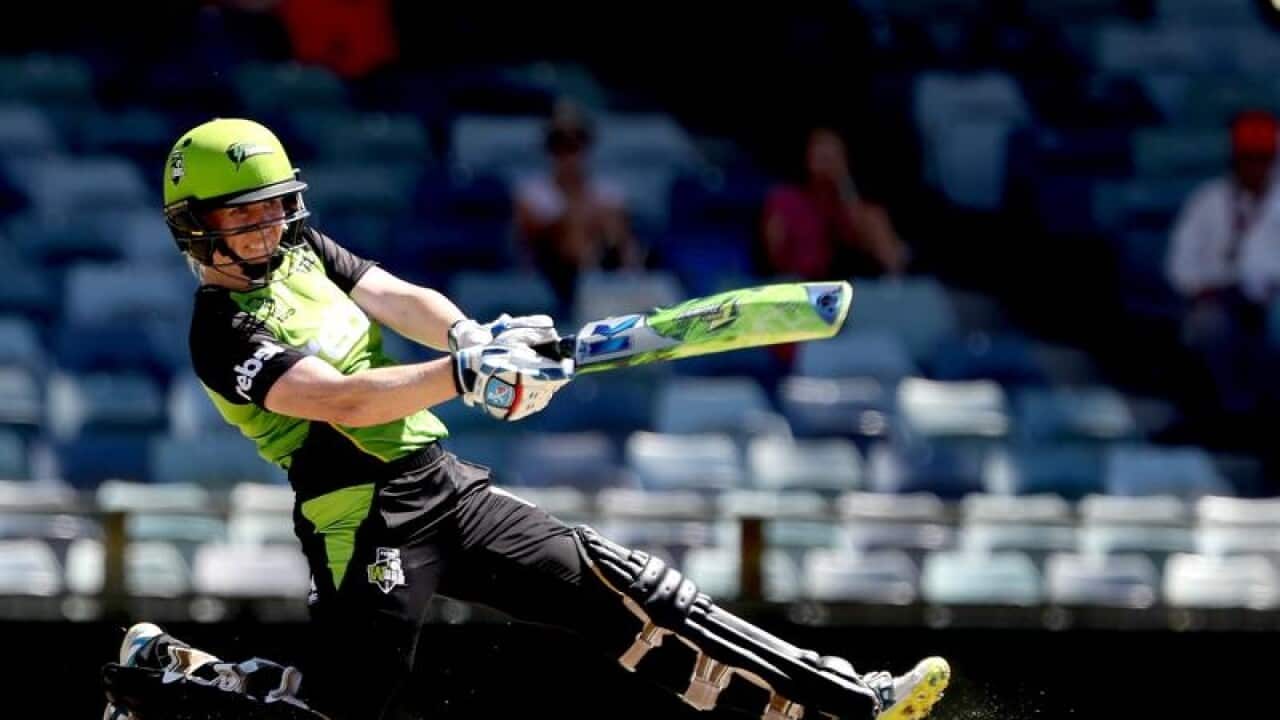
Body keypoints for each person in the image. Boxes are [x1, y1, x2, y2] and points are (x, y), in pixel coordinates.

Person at [99, 117, 951, 720]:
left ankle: (842, 702)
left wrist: (472, 333)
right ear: (195, 228)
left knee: (634, 592)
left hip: (441, 485)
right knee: (340, 707)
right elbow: (345, 401)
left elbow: (397, 294)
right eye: (243, 215)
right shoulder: (220, 331)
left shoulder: (301, 252)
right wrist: (464, 373)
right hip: (360, 516)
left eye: (276, 204)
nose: (267, 224)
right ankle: (166, 684)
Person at [1166, 109, 1280, 418]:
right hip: (1220, 300)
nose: (1255, 168)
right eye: (1249, 159)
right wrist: (1211, 285)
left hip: (1270, 303)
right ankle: (1230, 411)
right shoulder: (1207, 202)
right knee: (1208, 326)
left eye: (1263, 159)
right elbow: (1180, 265)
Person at [513, 99, 644, 311]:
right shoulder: (532, 192)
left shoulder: (609, 191)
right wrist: (576, 217)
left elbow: (622, 239)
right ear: (548, 148)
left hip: (606, 272)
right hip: (550, 277)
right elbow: (528, 242)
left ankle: (626, 291)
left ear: (586, 147)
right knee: (571, 227)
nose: (568, 156)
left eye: (575, 144)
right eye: (559, 144)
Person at [759, 126, 909, 281]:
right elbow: (774, 258)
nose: (826, 160)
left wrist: (844, 184)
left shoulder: (859, 209)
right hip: (799, 287)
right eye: (820, 151)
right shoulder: (784, 201)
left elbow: (891, 261)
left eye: (832, 155)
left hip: (852, 289)